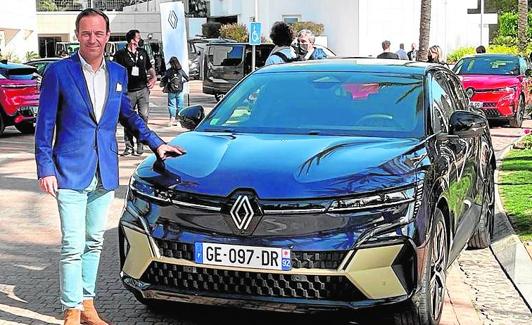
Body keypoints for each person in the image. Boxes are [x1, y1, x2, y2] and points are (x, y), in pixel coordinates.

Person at [34, 8, 184, 325]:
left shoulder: (116, 73)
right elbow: (44, 125)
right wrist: (45, 167)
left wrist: (157, 143)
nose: (93, 39)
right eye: (86, 33)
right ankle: (71, 311)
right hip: (69, 172)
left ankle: (88, 306)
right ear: (77, 35)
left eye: (99, 33)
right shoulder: (59, 72)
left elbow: (128, 116)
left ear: (107, 36)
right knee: (72, 245)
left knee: (94, 242)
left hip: (105, 172)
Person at [113, 29, 157, 156]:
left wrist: (153, 77)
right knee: (128, 118)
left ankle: (140, 144)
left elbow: (149, 67)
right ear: (132, 40)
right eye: (138, 37)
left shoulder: (142, 52)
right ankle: (128, 146)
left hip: (143, 89)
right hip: (128, 91)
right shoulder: (120, 54)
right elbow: (115, 70)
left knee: (143, 116)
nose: (140, 39)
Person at [161, 56, 189, 126]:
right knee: (180, 105)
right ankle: (179, 120)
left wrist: (164, 85)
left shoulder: (169, 71)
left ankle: (172, 118)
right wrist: (182, 82)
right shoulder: (180, 70)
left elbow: (164, 79)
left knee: (171, 105)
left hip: (171, 90)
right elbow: (187, 78)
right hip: (180, 90)